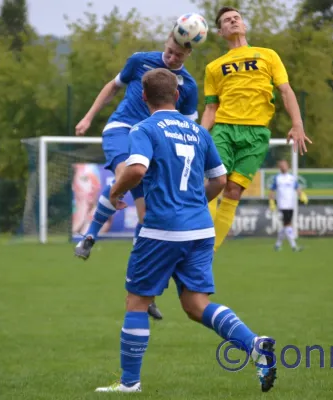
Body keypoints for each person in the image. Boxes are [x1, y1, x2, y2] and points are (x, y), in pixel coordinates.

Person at [94, 68, 277, 394]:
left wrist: (115, 192)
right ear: (177, 96)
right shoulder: (198, 132)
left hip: (162, 230)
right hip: (200, 231)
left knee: (136, 302)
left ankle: (129, 384)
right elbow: (220, 181)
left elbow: (136, 168)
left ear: (143, 97)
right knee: (195, 304)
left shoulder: (144, 128)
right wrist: (193, 203)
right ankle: (254, 345)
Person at [73, 32, 199, 320]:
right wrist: (89, 116)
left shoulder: (188, 86)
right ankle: (90, 234)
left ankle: (144, 290)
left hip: (152, 143)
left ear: (188, 54)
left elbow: (186, 127)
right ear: (166, 41)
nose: (171, 57)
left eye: (178, 55)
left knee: (147, 219)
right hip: (121, 129)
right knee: (125, 173)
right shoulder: (140, 61)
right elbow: (113, 86)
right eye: (169, 50)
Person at [200, 6, 312, 252]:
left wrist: (297, 124)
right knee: (215, 180)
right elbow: (211, 108)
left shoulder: (268, 55)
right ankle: (194, 236)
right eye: (227, 21)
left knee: (233, 190)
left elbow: (285, 90)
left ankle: (207, 253)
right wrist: (199, 134)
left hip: (257, 134)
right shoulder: (214, 67)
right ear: (221, 32)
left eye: (236, 18)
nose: (233, 22)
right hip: (225, 129)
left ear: (244, 25)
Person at [268, 160, 308, 251]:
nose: (283, 167)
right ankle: (294, 246)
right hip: (282, 205)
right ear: (279, 167)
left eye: (285, 165)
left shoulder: (292, 178)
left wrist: (302, 195)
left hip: (291, 205)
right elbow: (271, 191)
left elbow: (297, 188)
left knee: (286, 225)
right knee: (287, 224)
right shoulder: (277, 178)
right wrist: (271, 202)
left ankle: (278, 245)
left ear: (288, 166)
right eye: (281, 166)